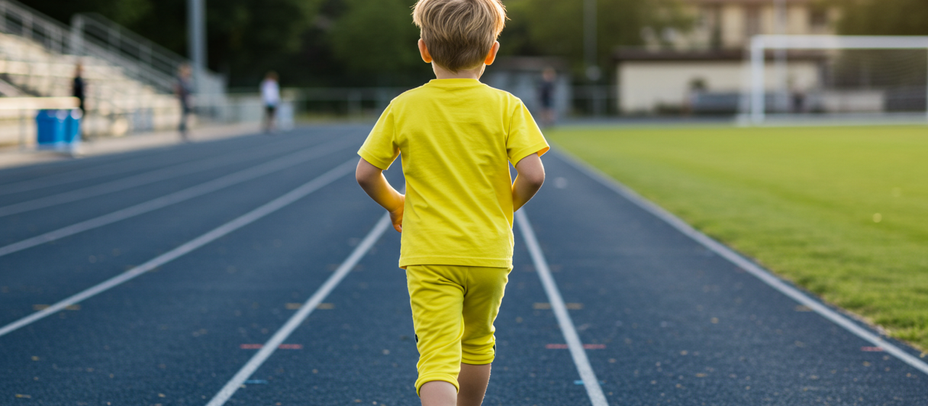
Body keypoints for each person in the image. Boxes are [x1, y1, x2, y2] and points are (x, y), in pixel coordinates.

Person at [355, 1, 548, 405]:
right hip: (489, 251)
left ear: (423, 49)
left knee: (438, 357)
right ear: (491, 52)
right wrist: (504, 208)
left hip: (429, 252)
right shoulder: (508, 106)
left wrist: (396, 204)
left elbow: (366, 173)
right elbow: (533, 175)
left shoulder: (404, 106)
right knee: (478, 343)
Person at [175, 64, 193, 141]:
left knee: (186, 115)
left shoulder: (187, 79)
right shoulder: (180, 79)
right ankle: (182, 130)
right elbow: (178, 89)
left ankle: (184, 130)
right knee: (183, 115)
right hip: (182, 99)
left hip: (186, 99)